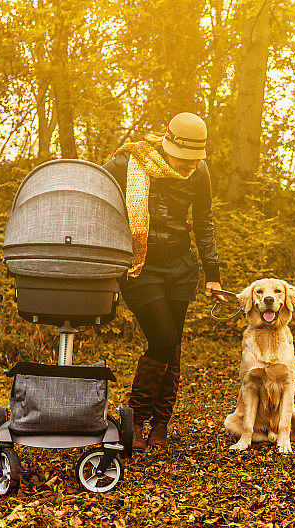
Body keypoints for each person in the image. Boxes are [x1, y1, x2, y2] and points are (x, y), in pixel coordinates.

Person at [102, 112, 226, 451]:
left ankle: (160, 424)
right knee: (163, 337)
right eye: (182, 159)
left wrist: (212, 274)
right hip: (140, 267)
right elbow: (96, 194)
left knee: (172, 347)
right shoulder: (128, 163)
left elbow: (204, 222)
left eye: (193, 160)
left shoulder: (200, 172)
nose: (188, 166)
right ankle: (136, 419)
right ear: (168, 145)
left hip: (181, 269)